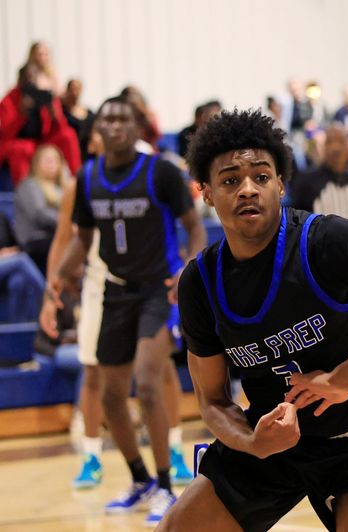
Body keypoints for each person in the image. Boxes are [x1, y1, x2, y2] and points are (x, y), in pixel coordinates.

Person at [160, 109, 348, 531]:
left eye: (260, 176)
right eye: (230, 180)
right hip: (268, 440)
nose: (247, 189)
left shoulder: (328, 240)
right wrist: (251, 441)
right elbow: (213, 401)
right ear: (206, 193)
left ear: (280, 184)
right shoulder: (199, 282)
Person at [50, 95, 206, 525]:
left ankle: (166, 486)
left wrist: (189, 267)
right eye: (108, 119)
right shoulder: (88, 178)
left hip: (157, 291)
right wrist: (57, 280)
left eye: (124, 119)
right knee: (111, 396)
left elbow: (194, 226)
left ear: (138, 127)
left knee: (149, 384)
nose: (115, 125)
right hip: (114, 293)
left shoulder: (161, 172)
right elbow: (83, 239)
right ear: (98, 128)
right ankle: (140, 479)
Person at [13, 144, 69, 273]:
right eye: (47, 161)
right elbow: (39, 213)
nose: (51, 164)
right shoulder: (29, 185)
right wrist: (67, 223)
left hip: (55, 235)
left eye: (55, 160)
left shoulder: (62, 187)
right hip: (35, 238)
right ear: (36, 163)